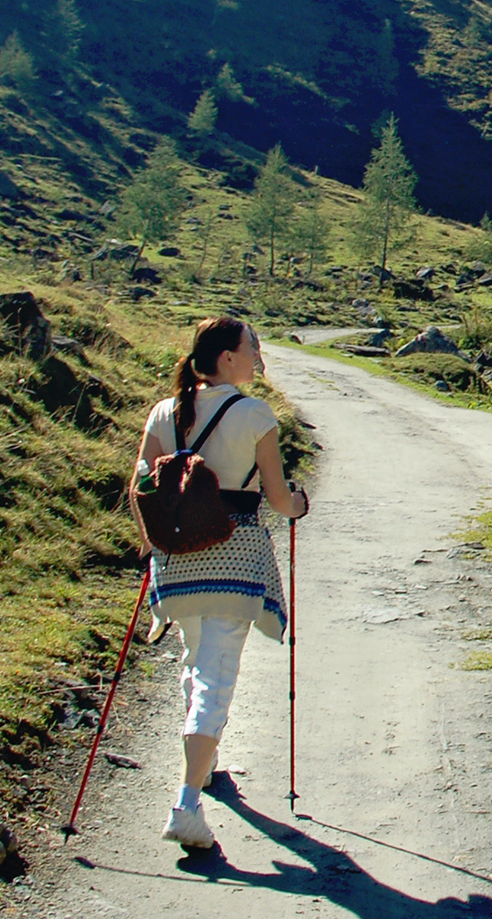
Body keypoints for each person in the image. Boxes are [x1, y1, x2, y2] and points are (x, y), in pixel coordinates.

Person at [131, 317, 307, 851]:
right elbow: (278, 499)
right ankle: (187, 802)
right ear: (227, 358)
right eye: (250, 348)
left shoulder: (164, 412)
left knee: (194, 659)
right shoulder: (254, 414)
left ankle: (203, 770)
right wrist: (299, 504)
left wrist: (152, 542)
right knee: (217, 677)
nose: (257, 356)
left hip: (176, 560)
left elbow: (140, 483)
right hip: (233, 561)